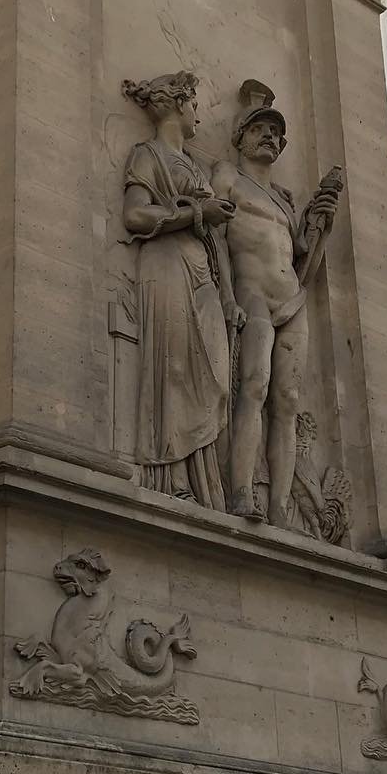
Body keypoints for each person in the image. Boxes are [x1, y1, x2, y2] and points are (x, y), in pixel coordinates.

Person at [210, 81, 342, 524]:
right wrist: (226, 297)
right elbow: (212, 237)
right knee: (254, 387)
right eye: (260, 129)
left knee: (286, 400)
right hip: (251, 294)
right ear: (241, 137)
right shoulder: (227, 177)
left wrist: (319, 215)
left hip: (291, 298)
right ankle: (241, 492)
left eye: (276, 133)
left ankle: (282, 509)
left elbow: (302, 250)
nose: (270, 136)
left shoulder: (284, 199)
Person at [120, 72, 236, 510]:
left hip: (201, 268)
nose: (198, 114)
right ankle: (174, 480)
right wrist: (193, 212)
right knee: (172, 367)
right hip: (165, 264)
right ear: (178, 106)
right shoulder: (147, 155)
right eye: (194, 105)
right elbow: (134, 216)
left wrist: (228, 296)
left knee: (215, 375)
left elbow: (216, 236)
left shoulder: (193, 165)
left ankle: (207, 484)